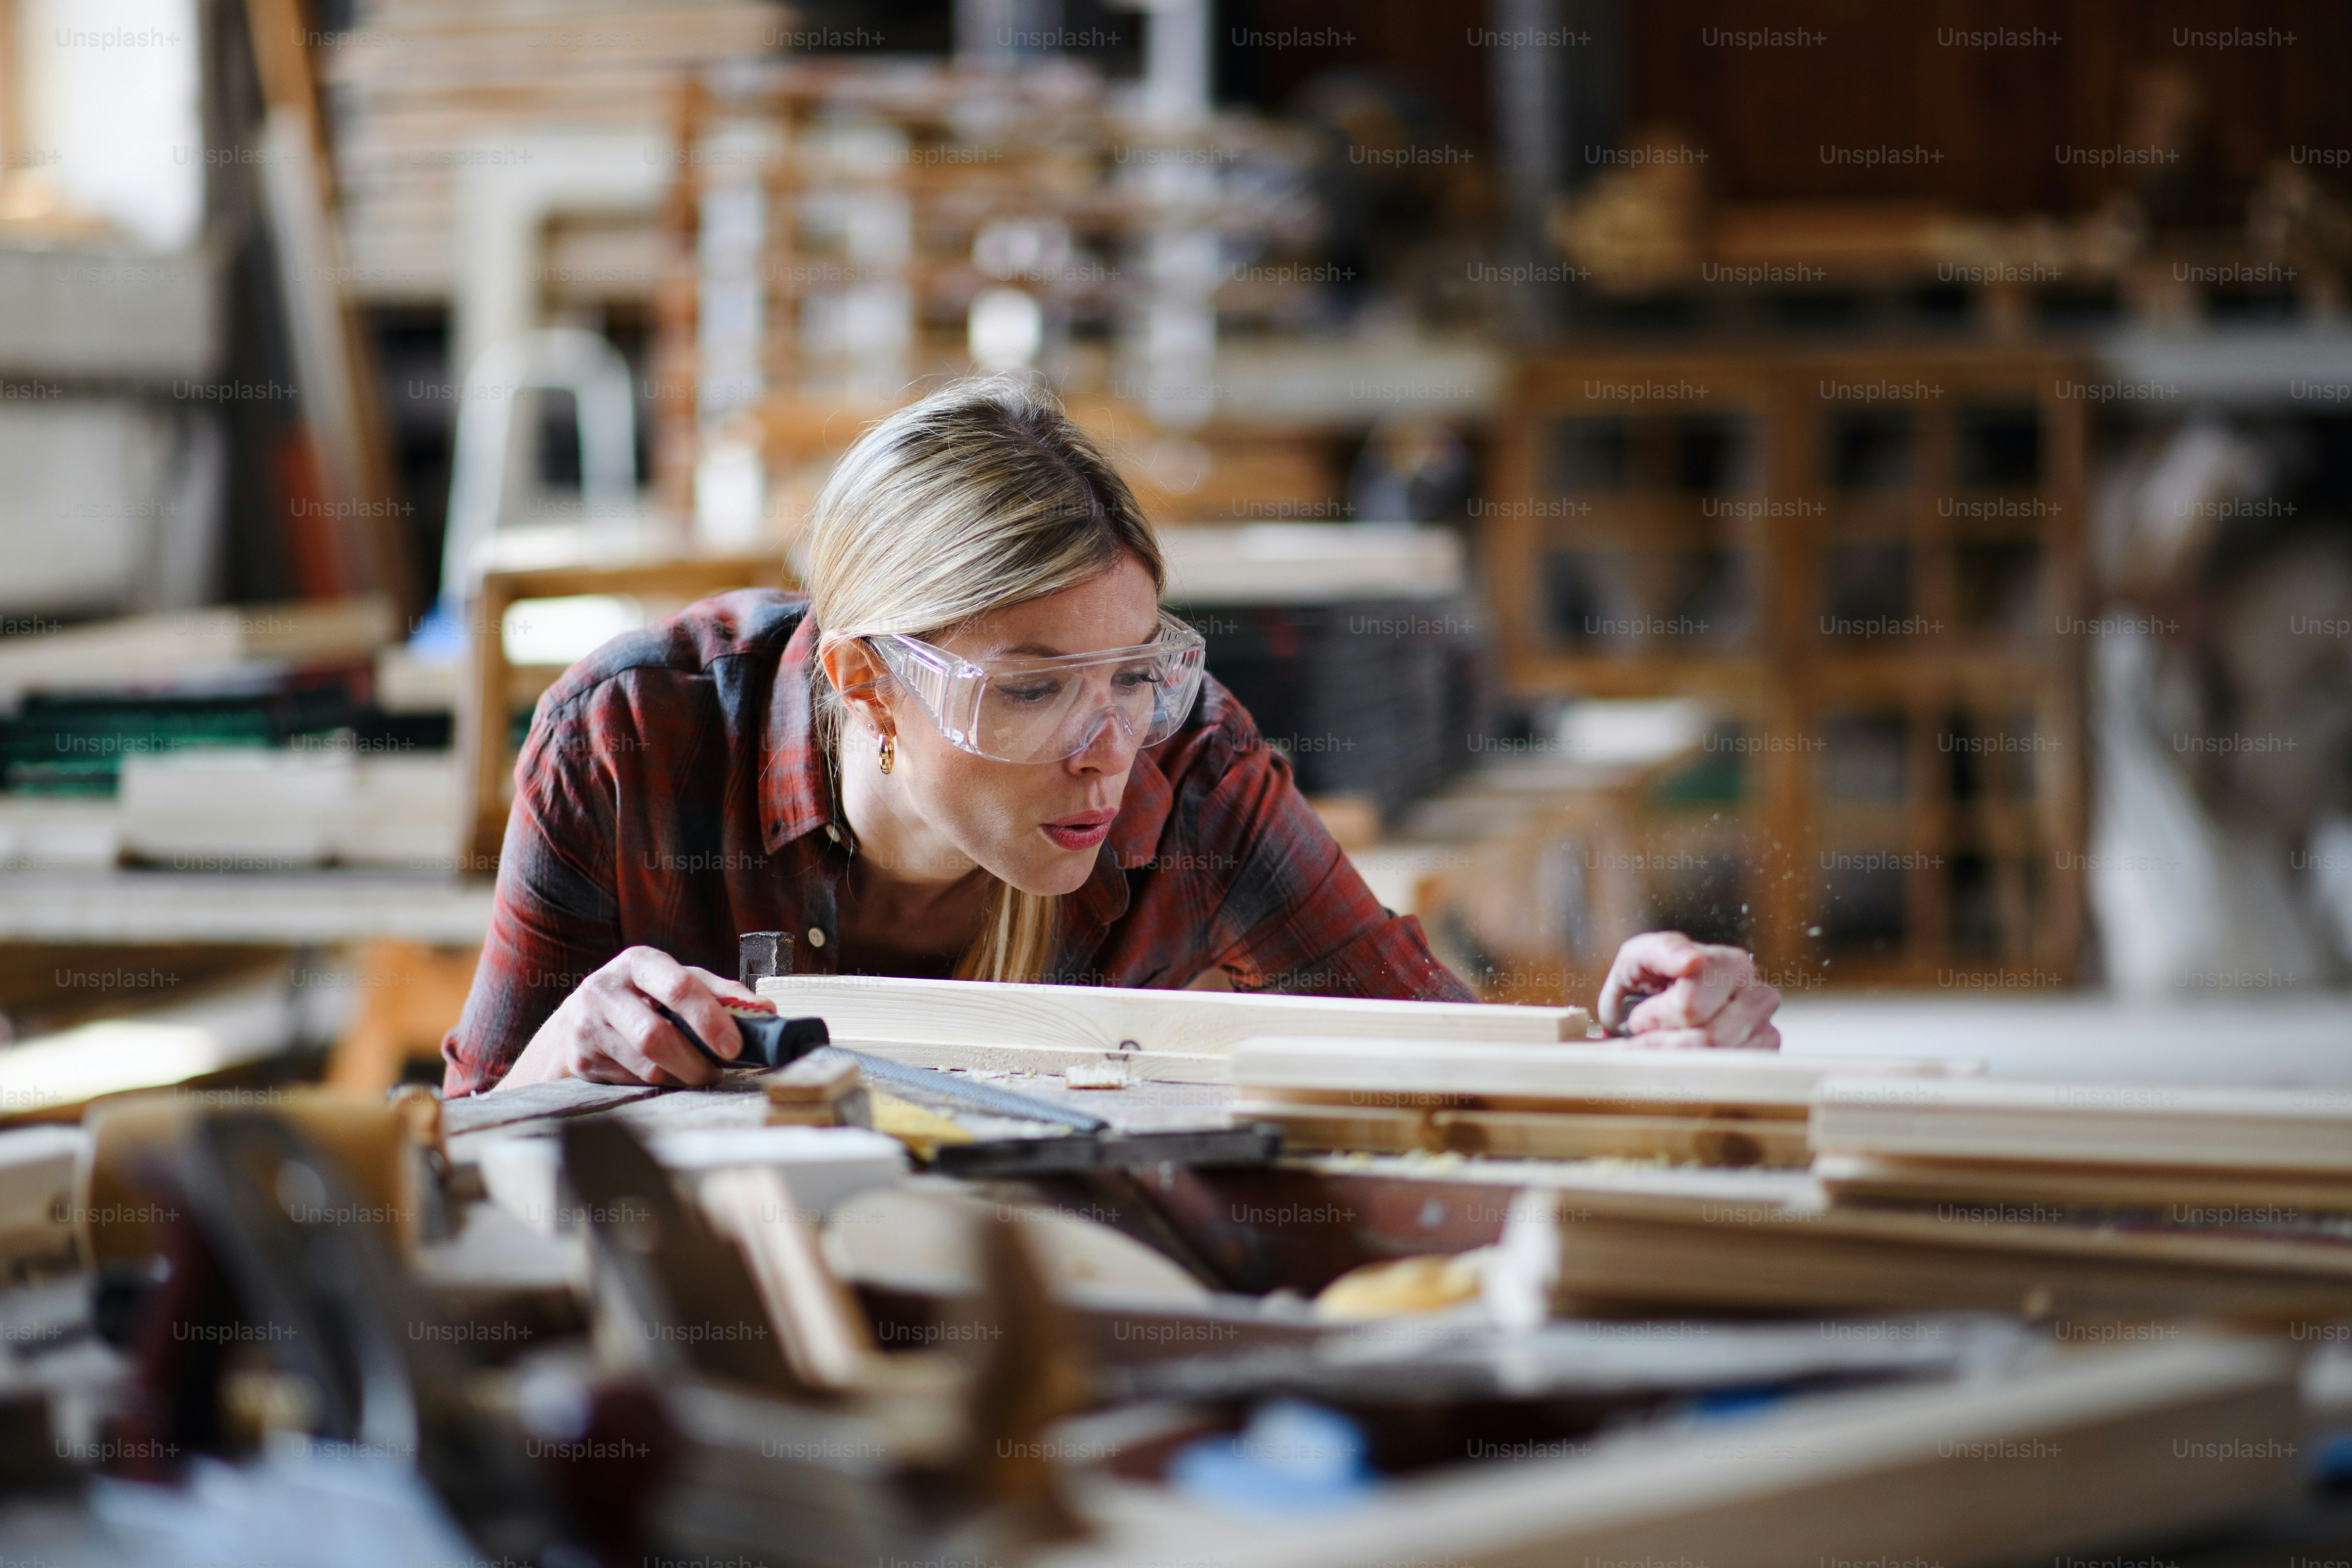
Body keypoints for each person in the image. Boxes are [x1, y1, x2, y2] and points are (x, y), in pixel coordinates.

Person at [443, 378, 1780, 1095]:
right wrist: (556, 1074)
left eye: (1133, 673)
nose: (1107, 752)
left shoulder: (1186, 769)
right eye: (1029, 689)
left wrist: (1630, 1061)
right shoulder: (628, 744)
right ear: (862, 681)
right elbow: (466, 1159)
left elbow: (1425, 1056)